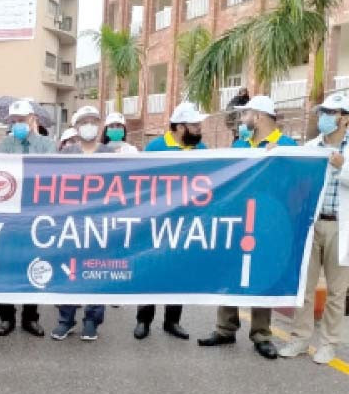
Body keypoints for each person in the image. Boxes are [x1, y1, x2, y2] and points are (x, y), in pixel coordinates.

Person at [198, 95, 296, 360]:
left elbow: (294, 185)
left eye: (246, 114)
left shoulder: (287, 146)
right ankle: (225, 328)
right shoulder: (240, 144)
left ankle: (262, 335)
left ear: (259, 116)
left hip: (268, 220)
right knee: (229, 273)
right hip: (239, 218)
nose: (242, 120)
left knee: (262, 275)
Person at [278, 93, 349, 364]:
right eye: (323, 112)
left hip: (341, 227)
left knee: (337, 290)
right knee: (304, 286)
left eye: (330, 112)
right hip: (311, 224)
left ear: (344, 118)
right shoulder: (311, 146)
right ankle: (299, 338)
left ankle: (329, 343)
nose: (324, 117)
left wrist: (343, 168)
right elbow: (293, 174)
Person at [135, 101, 207, 341]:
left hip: (186, 222)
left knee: (178, 271)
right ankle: (143, 320)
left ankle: (172, 321)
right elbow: (140, 182)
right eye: (194, 125)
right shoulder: (156, 147)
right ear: (179, 126)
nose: (199, 129)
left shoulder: (202, 149)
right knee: (151, 269)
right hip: (157, 220)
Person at [0, 99, 57, 337]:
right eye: (14, 121)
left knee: (35, 264)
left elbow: (50, 175)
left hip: (36, 213)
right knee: (8, 266)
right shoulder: (5, 145)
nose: (18, 124)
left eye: (22, 120)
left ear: (33, 119)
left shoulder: (46, 144)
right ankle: (6, 317)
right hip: (10, 214)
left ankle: (30, 317)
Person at [52, 106, 110, 341]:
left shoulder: (110, 154)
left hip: (100, 222)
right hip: (72, 223)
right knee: (69, 270)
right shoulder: (67, 154)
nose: (89, 125)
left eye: (94, 121)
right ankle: (66, 319)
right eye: (84, 121)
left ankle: (92, 321)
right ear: (76, 128)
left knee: (97, 269)